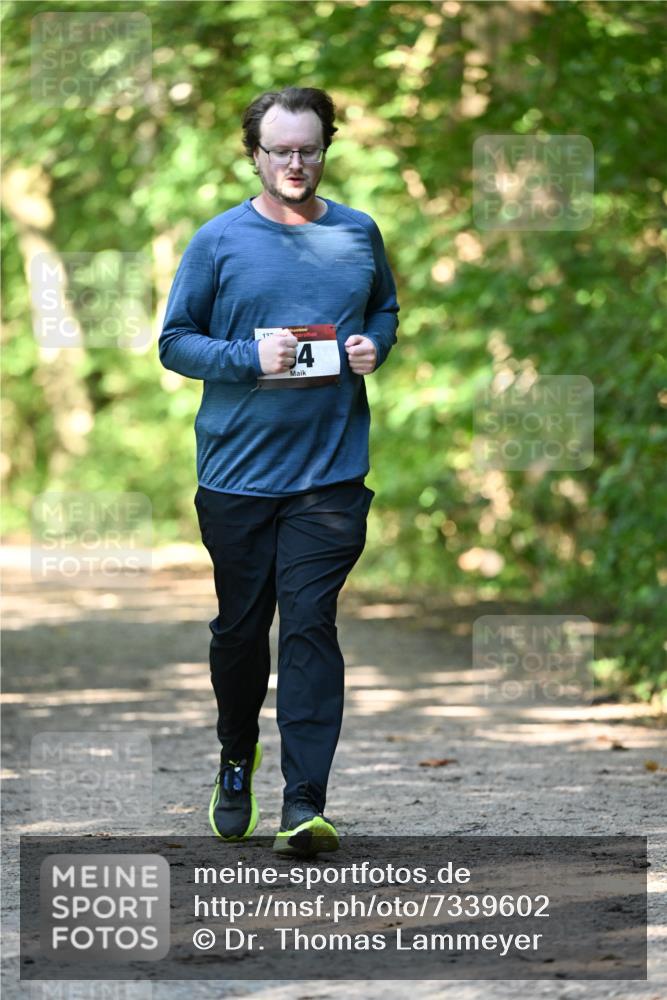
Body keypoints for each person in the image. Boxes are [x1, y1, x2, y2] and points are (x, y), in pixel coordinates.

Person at [158, 86, 399, 857]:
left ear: (326, 147)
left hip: (329, 475)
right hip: (235, 474)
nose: (296, 163)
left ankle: (304, 802)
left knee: (309, 624)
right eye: (280, 150)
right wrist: (243, 357)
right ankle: (237, 757)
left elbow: (385, 311)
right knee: (239, 631)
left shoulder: (358, 233)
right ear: (253, 154)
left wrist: (373, 347)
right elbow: (174, 342)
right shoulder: (218, 241)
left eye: (309, 149)